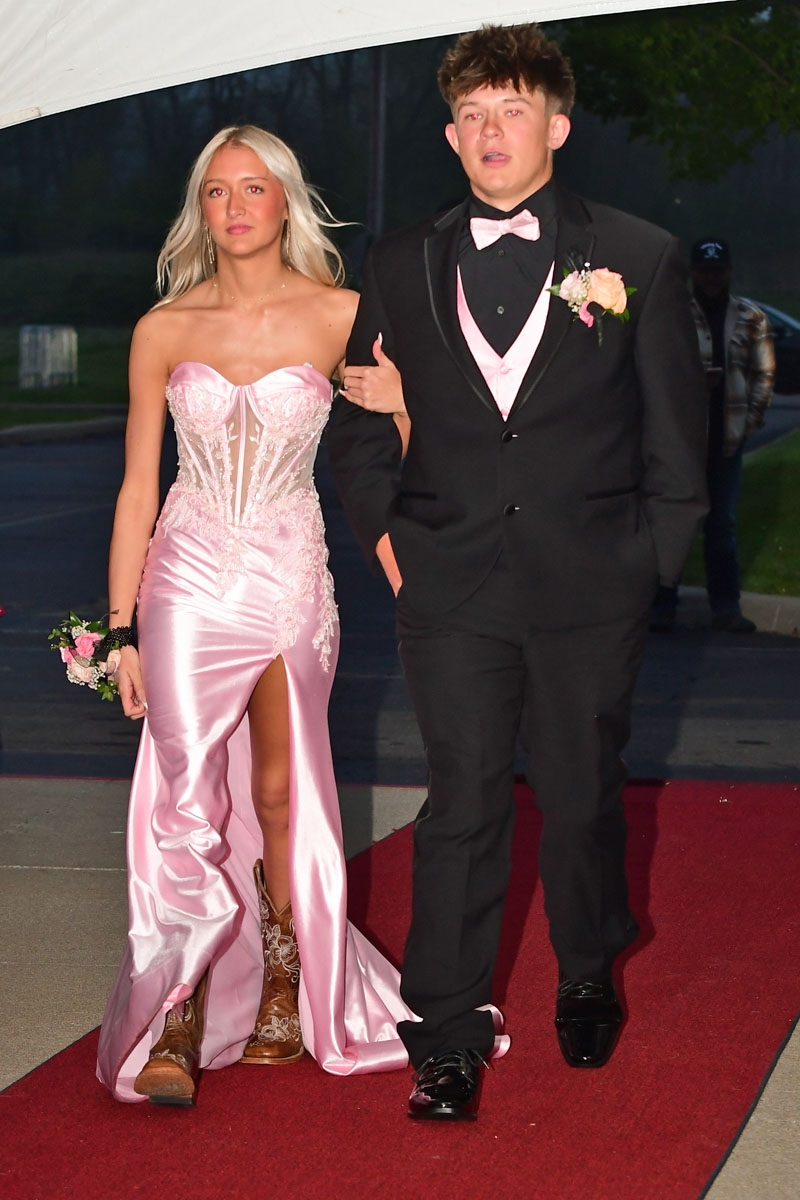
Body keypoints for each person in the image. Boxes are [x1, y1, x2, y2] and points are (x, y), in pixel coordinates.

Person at [329, 23, 708, 1121]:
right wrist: (391, 548)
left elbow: (676, 447)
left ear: (555, 124)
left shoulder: (634, 256)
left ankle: (586, 964)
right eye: (473, 116)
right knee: (459, 800)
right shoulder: (399, 262)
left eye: (513, 111)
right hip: (446, 582)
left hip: (590, 582)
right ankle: (443, 1036)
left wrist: (646, 566)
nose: (492, 133)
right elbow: (356, 425)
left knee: (583, 793)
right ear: (451, 137)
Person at [95, 125, 414, 1106]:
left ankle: (284, 974)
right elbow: (137, 487)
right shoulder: (164, 328)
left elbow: (410, 447)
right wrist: (118, 632)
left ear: (285, 201)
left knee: (278, 795)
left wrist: (402, 401)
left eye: (254, 189)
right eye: (217, 193)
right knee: (180, 795)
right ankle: (178, 1006)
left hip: (288, 574)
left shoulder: (343, 313)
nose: (235, 208)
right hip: (187, 574)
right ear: (202, 210)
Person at [651, 238, 775, 633]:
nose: (710, 278)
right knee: (673, 523)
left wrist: (748, 423)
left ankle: (726, 608)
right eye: (703, 271)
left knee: (722, 526)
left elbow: (764, 375)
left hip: (726, 438)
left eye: (717, 270)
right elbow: (657, 370)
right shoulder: (673, 315)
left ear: (729, 271)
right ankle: (662, 606)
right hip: (681, 439)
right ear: (693, 272)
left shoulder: (751, 317)